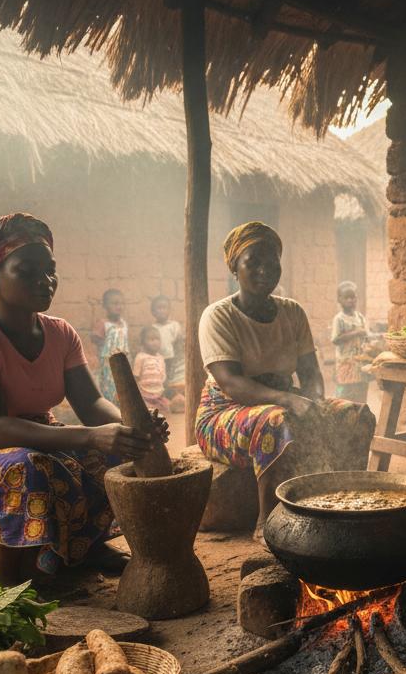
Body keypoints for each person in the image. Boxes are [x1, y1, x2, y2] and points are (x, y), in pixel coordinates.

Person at [0, 213, 168, 585]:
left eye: (50, 269)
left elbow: (91, 405)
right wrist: (90, 436)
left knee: (117, 451)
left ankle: (83, 549)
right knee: (22, 469)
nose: (45, 280)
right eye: (27, 270)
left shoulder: (60, 334)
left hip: (36, 443)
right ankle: (6, 588)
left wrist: (135, 425)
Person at [194, 222, 376, 537]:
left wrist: (316, 404)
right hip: (224, 413)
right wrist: (290, 400)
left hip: (284, 402)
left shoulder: (292, 312)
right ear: (235, 268)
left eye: (273, 261)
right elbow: (230, 382)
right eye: (254, 262)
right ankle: (269, 523)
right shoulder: (219, 316)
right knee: (277, 422)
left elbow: (311, 373)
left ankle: (343, 500)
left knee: (355, 414)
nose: (265, 269)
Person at [330, 281, 372, 403]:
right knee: (345, 396)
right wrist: (356, 333)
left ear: (357, 298)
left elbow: (366, 336)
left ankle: (361, 419)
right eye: (346, 298)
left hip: (360, 364)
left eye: (353, 297)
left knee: (361, 394)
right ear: (339, 299)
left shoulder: (360, 317)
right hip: (345, 364)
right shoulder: (339, 319)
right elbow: (335, 339)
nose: (350, 300)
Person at [91, 288, 128, 405]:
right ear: (105, 306)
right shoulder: (103, 323)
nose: (119, 306)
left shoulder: (123, 323)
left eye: (122, 303)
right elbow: (95, 340)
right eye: (115, 303)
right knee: (109, 389)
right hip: (108, 364)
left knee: (122, 388)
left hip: (123, 362)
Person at [150, 295, 185, 407]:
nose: (161, 310)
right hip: (159, 359)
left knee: (173, 379)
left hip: (173, 358)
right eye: (158, 308)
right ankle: (163, 399)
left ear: (169, 310)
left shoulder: (174, 325)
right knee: (162, 379)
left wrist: (178, 356)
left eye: (164, 307)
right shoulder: (153, 327)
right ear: (153, 312)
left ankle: (176, 399)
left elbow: (179, 342)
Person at [133, 326, 170, 412]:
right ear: (143, 342)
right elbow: (136, 377)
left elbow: (162, 377)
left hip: (158, 395)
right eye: (151, 339)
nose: (155, 342)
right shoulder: (140, 357)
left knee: (165, 410)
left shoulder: (161, 358)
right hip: (144, 396)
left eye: (157, 339)